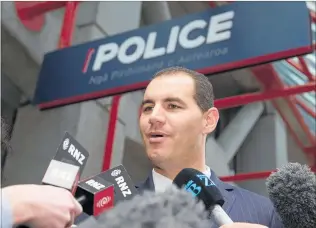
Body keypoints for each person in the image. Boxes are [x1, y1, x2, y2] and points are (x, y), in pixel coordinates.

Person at [136, 66, 284, 228]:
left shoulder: (263, 213)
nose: (154, 117)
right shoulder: (108, 201)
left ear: (209, 121)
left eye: (172, 106)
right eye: (148, 108)